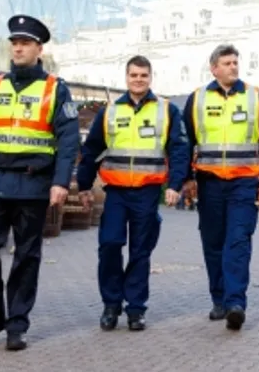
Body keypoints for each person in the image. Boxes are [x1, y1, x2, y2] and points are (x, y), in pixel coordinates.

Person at [0, 15, 80, 353]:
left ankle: (17, 324)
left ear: (38, 48)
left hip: (33, 185)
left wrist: (61, 182)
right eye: (14, 42)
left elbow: (68, 139)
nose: (18, 47)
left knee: (26, 256)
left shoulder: (55, 89)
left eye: (25, 42)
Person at [76, 55, 190, 332]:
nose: (138, 80)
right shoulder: (110, 111)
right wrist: (83, 185)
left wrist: (175, 185)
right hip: (116, 193)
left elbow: (179, 149)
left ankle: (136, 309)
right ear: (126, 78)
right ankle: (111, 305)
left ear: (150, 77)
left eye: (143, 75)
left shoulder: (167, 110)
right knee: (110, 245)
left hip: (148, 193)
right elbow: (91, 150)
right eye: (133, 75)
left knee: (141, 252)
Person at [182, 43, 259, 331]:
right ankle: (219, 299)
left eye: (235, 62)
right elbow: (184, 143)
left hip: (244, 183)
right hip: (209, 183)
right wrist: (184, 180)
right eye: (227, 63)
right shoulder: (197, 99)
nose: (233, 67)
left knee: (238, 240)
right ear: (213, 67)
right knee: (213, 242)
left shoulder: (254, 97)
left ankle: (235, 303)